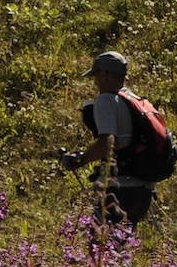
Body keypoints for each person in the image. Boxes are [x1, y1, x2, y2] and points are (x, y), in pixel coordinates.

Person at [60, 51, 162, 227]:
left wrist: (80, 159)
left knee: (101, 250)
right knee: (122, 250)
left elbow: (107, 143)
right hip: (143, 193)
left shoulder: (106, 100)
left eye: (96, 77)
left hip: (118, 191)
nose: (95, 82)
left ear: (103, 74)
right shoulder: (135, 101)